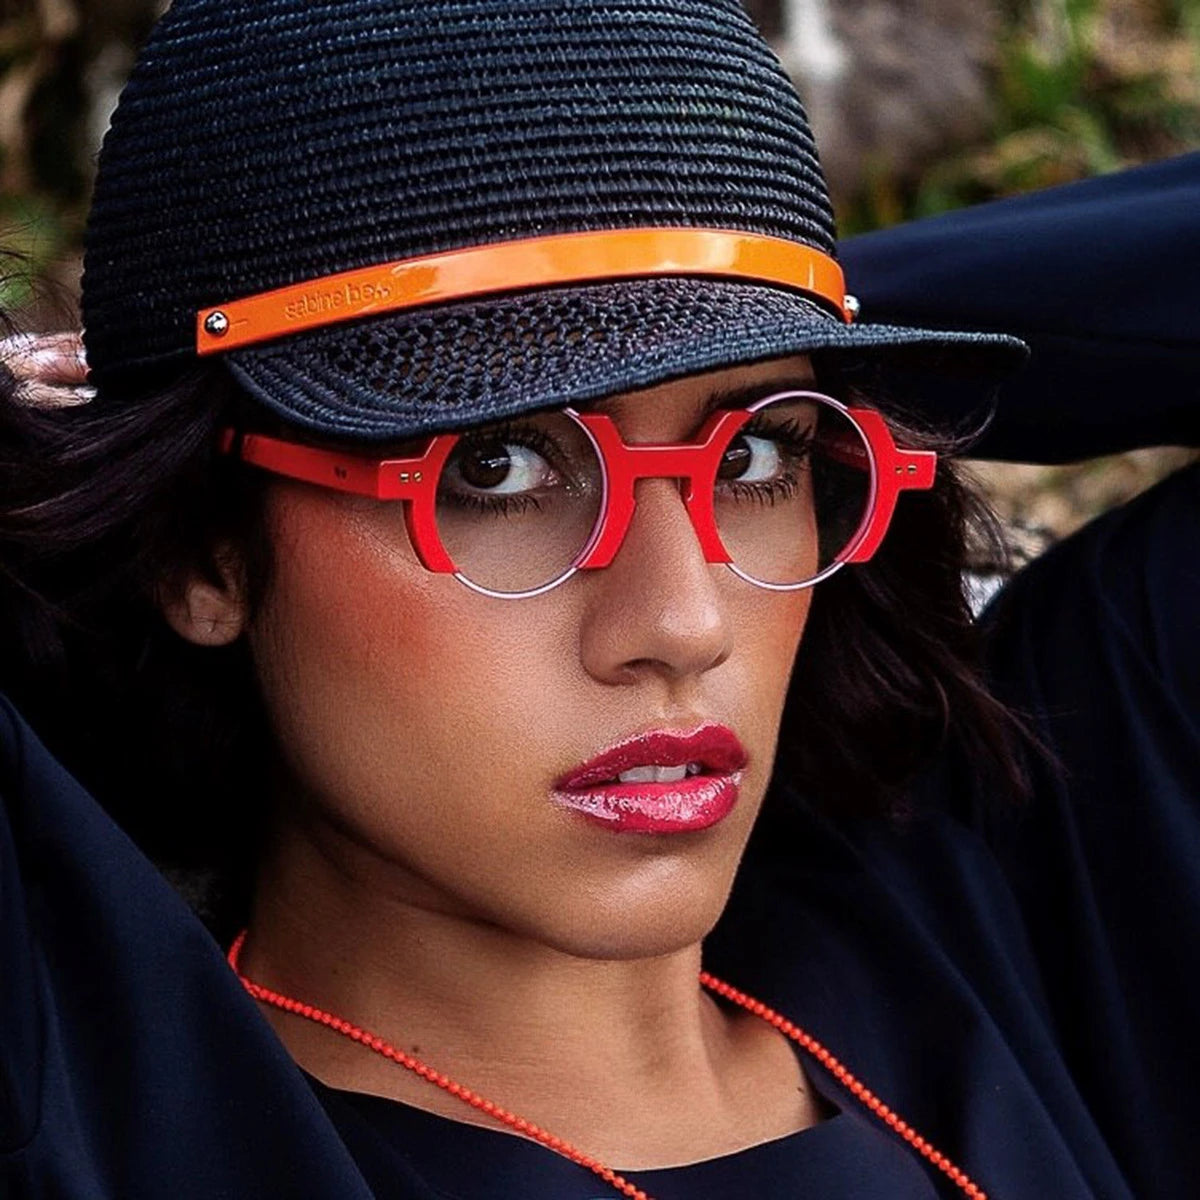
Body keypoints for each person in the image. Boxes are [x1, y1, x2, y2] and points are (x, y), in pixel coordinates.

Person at [0, 2, 1196, 1198]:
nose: (683, 625)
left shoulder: (1026, 884)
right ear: (202, 553)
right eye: (498, 466)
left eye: (756, 453)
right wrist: (156, 374)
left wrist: (772, 287)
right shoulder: (100, 1114)